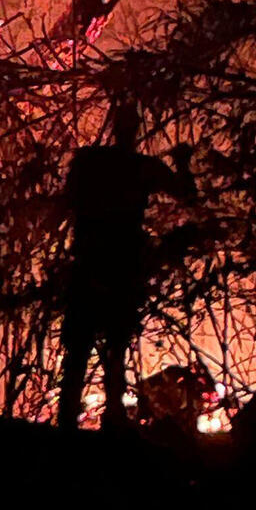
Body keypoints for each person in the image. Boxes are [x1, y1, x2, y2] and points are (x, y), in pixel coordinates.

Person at [57, 98, 197, 429]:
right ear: (135, 130)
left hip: (90, 262)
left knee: (80, 349)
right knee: (114, 348)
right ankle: (112, 418)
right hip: (120, 264)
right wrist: (183, 162)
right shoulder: (141, 167)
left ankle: (69, 423)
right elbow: (186, 195)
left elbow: (67, 199)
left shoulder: (91, 162)